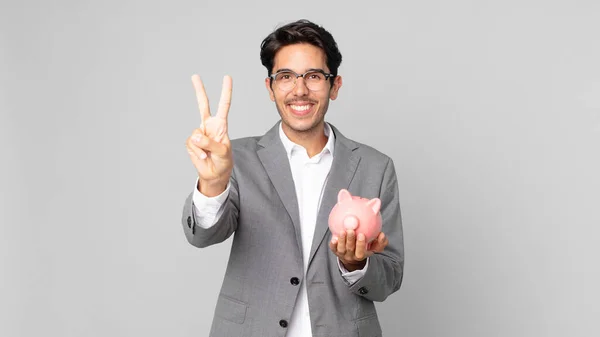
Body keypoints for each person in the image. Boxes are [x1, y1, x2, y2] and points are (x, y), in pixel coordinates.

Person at [182, 19, 404, 337]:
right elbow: (203, 236)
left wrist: (356, 265)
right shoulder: (237, 158)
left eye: (313, 76)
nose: (299, 90)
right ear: (270, 88)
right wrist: (214, 182)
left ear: (335, 85)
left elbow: (390, 277)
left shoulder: (376, 167)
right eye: (286, 76)